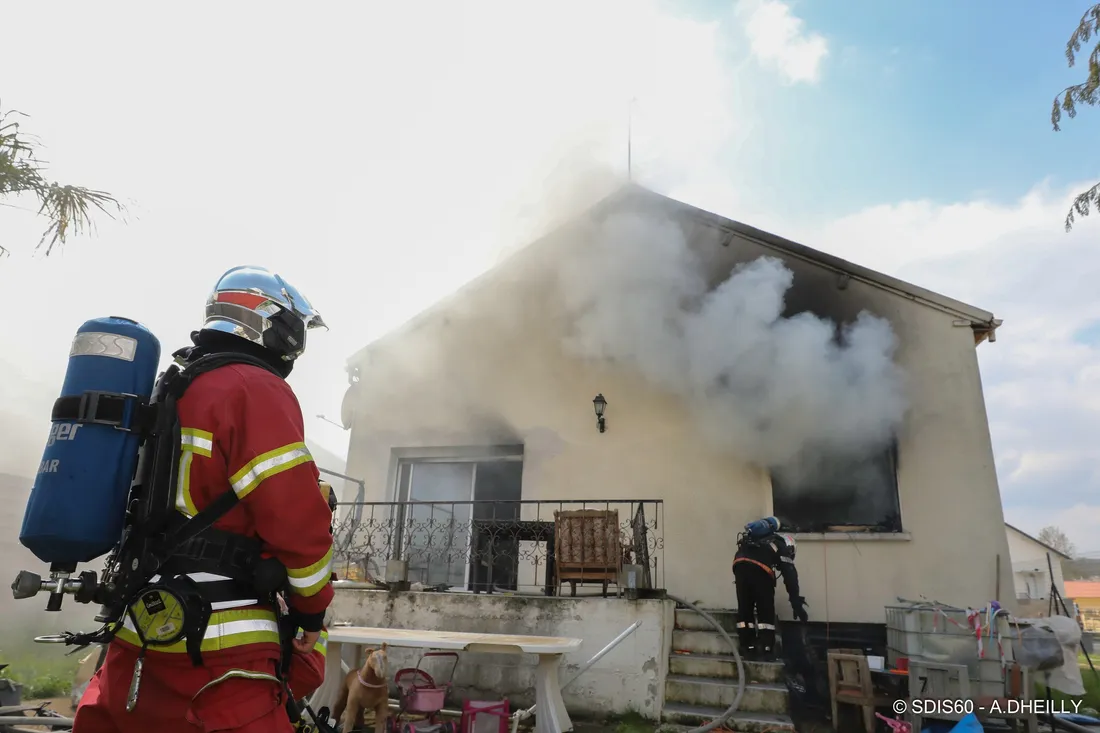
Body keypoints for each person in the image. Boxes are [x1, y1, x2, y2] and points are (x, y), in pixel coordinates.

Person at [73, 266, 336, 733]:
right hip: (221, 646)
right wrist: (311, 610)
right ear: (271, 323)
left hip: (140, 626)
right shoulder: (255, 388)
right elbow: (296, 518)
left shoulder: (178, 383)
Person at [732, 517, 807, 660]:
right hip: (760, 568)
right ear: (790, 546)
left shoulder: (754, 541)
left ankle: (747, 646)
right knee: (765, 607)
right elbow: (790, 576)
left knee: (745, 607)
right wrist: (795, 602)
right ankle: (766, 648)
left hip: (739, 564)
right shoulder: (781, 546)